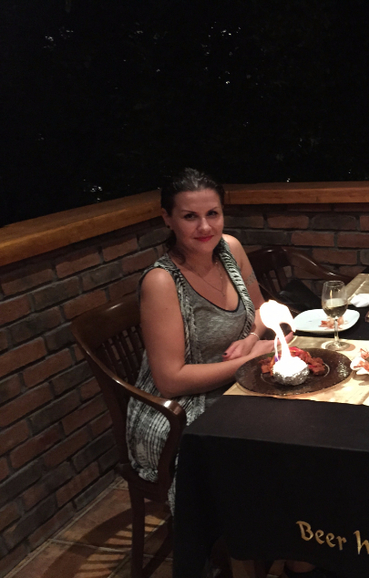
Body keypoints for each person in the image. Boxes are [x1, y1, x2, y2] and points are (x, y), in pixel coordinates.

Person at [126, 168, 275, 509]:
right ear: (167, 219)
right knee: (271, 445)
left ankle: (297, 530)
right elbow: (170, 381)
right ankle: (248, 534)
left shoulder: (230, 249)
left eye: (213, 213)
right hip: (179, 412)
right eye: (190, 216)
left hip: (234, 384)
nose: (205, 227)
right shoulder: (162, 281)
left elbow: (261, 309)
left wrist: (252, 337)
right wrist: (250, 360)